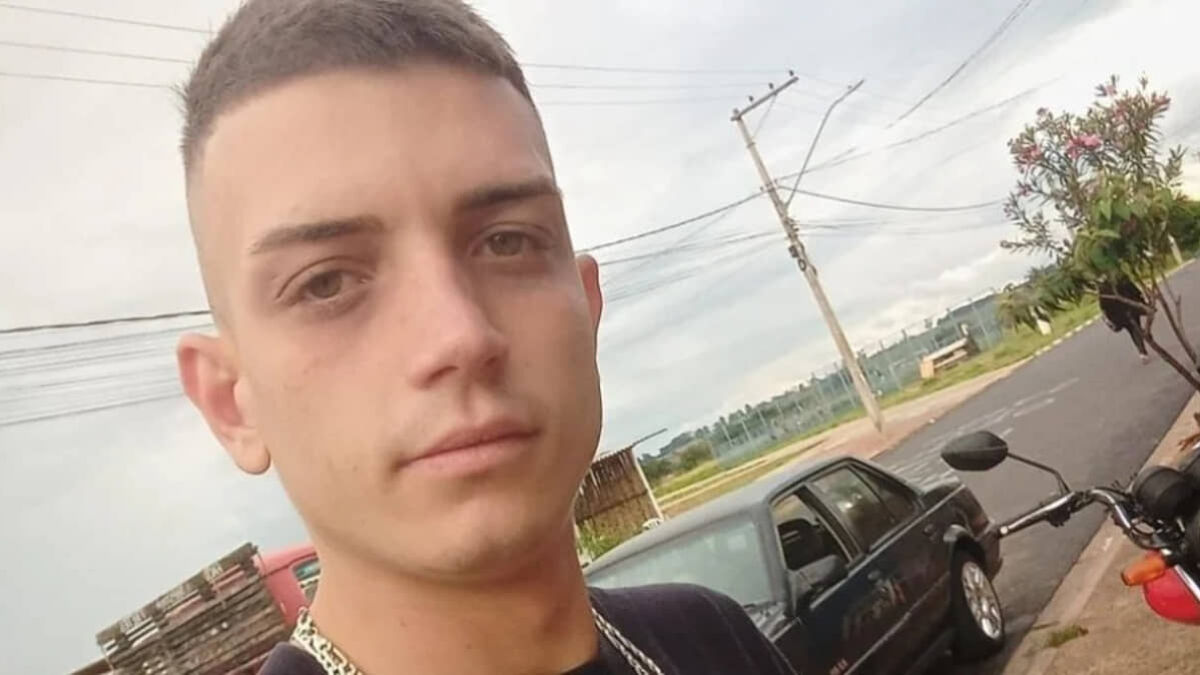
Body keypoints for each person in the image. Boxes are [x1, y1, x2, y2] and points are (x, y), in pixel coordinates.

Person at [174, 1, 796, 673]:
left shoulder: (709, 641)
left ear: (587, 306)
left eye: (507, 242)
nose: (461, 336)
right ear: (230, 404)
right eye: (326, 283)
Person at [1098, 276, 1150, 364]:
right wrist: (1142, 302)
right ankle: (1143, 347)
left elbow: (1103, 306)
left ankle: (1142, 350)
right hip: (1129, 310)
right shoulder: (1120, 279)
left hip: (1123, 314)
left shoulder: (1104, 288)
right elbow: (1136, 291)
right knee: (1134, 329)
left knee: (1133, 330)